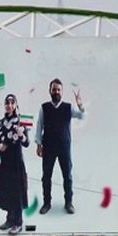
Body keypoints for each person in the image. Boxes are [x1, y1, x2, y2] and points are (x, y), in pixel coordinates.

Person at [35, 78, 85, 215]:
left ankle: (68, 203)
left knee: (67, 176)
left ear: (62, 92)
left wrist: (80, 105)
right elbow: (39, 125)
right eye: (54, 89)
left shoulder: (68, 107)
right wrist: (38, 144)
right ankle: (46, 203)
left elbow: (82, 116)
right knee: (46, 177)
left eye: (58, 90)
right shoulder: (44, 107)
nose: (56, 92)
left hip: (64, 147)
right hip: (48, 147)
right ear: (49, 91)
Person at [0, 94, 30, 233]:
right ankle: (9, 218)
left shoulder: (20, 122)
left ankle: (18, 222)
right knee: (6, 191)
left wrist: (21, 135)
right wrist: (0, 145)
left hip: (16, 162)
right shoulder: (1, 122)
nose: (9, 105)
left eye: (12, 103)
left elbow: (26, 143)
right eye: (7, 103)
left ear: (15, 105)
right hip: (4, 162)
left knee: (17, 192)